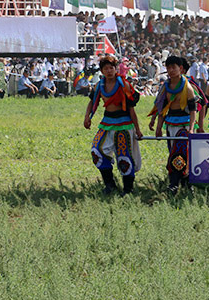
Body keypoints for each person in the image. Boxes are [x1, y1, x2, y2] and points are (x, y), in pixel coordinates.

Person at [83, 55, 142, 195]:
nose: (109, 71)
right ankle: (110, 185)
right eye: (106, 69)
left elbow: (131, 109)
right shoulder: (99, 85)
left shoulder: (124, 84)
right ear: (102, 71)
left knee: (124, 156)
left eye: (111, 68)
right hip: (106, 123)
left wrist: (138, 129)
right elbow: (92, 101)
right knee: (96, 151)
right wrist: (87, 117)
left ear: (116, 69)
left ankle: (128, 189)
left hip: (124, 124)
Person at [149, 55, 200, 193]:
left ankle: (175, 183)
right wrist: (158, 127)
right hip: (170, 124)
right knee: (173, 152)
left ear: (181, 69)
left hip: (184, 124)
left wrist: (191, 128)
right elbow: (162, 109)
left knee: (180, 153)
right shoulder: (165, 87)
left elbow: (193, 109)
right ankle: (182, 182)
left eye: (174, 67)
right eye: (168, 67)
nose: (171, 70)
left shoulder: (188, 87)